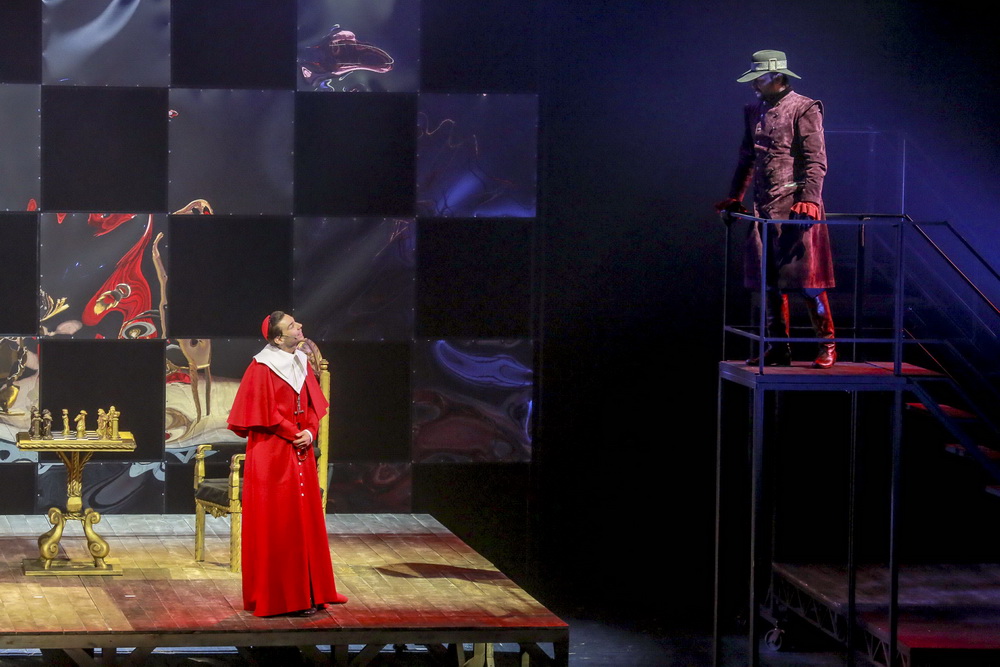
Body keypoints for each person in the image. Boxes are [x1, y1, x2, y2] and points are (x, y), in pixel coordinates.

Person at [716, 49, 836, 369]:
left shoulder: (804, 107)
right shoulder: (753, 110)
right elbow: (747, 158)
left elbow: (815, 160)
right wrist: (735, 197)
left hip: (796, 207)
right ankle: (779, 347)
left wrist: (809, 198)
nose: (754, 84)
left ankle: (827, 344)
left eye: (759, 78)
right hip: (764, 207)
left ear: (777, 76)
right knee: (768, 282)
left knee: (808, 281)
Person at [227, 311, 348, 616]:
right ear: (279, 338)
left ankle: (314, 591)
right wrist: (294, 433)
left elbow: (312, 406)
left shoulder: (301, 361)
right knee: (280, 523)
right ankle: (285, 598)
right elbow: (264, 413)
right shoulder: (261, 367)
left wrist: (310, 432)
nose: (300, 327)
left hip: (300, 450)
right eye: (292, 326)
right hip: (273, 454)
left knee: (304, 520)